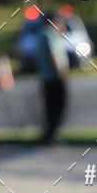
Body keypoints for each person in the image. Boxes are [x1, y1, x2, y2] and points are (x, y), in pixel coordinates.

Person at [35, 12, 69, 144]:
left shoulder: (44, 34)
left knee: (50, 108)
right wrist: (59, 71)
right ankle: (51, 136)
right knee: (56, 107)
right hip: (54, 76)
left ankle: (50, 135)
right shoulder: (48, 34)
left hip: (46, 76)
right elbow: (53, 54)